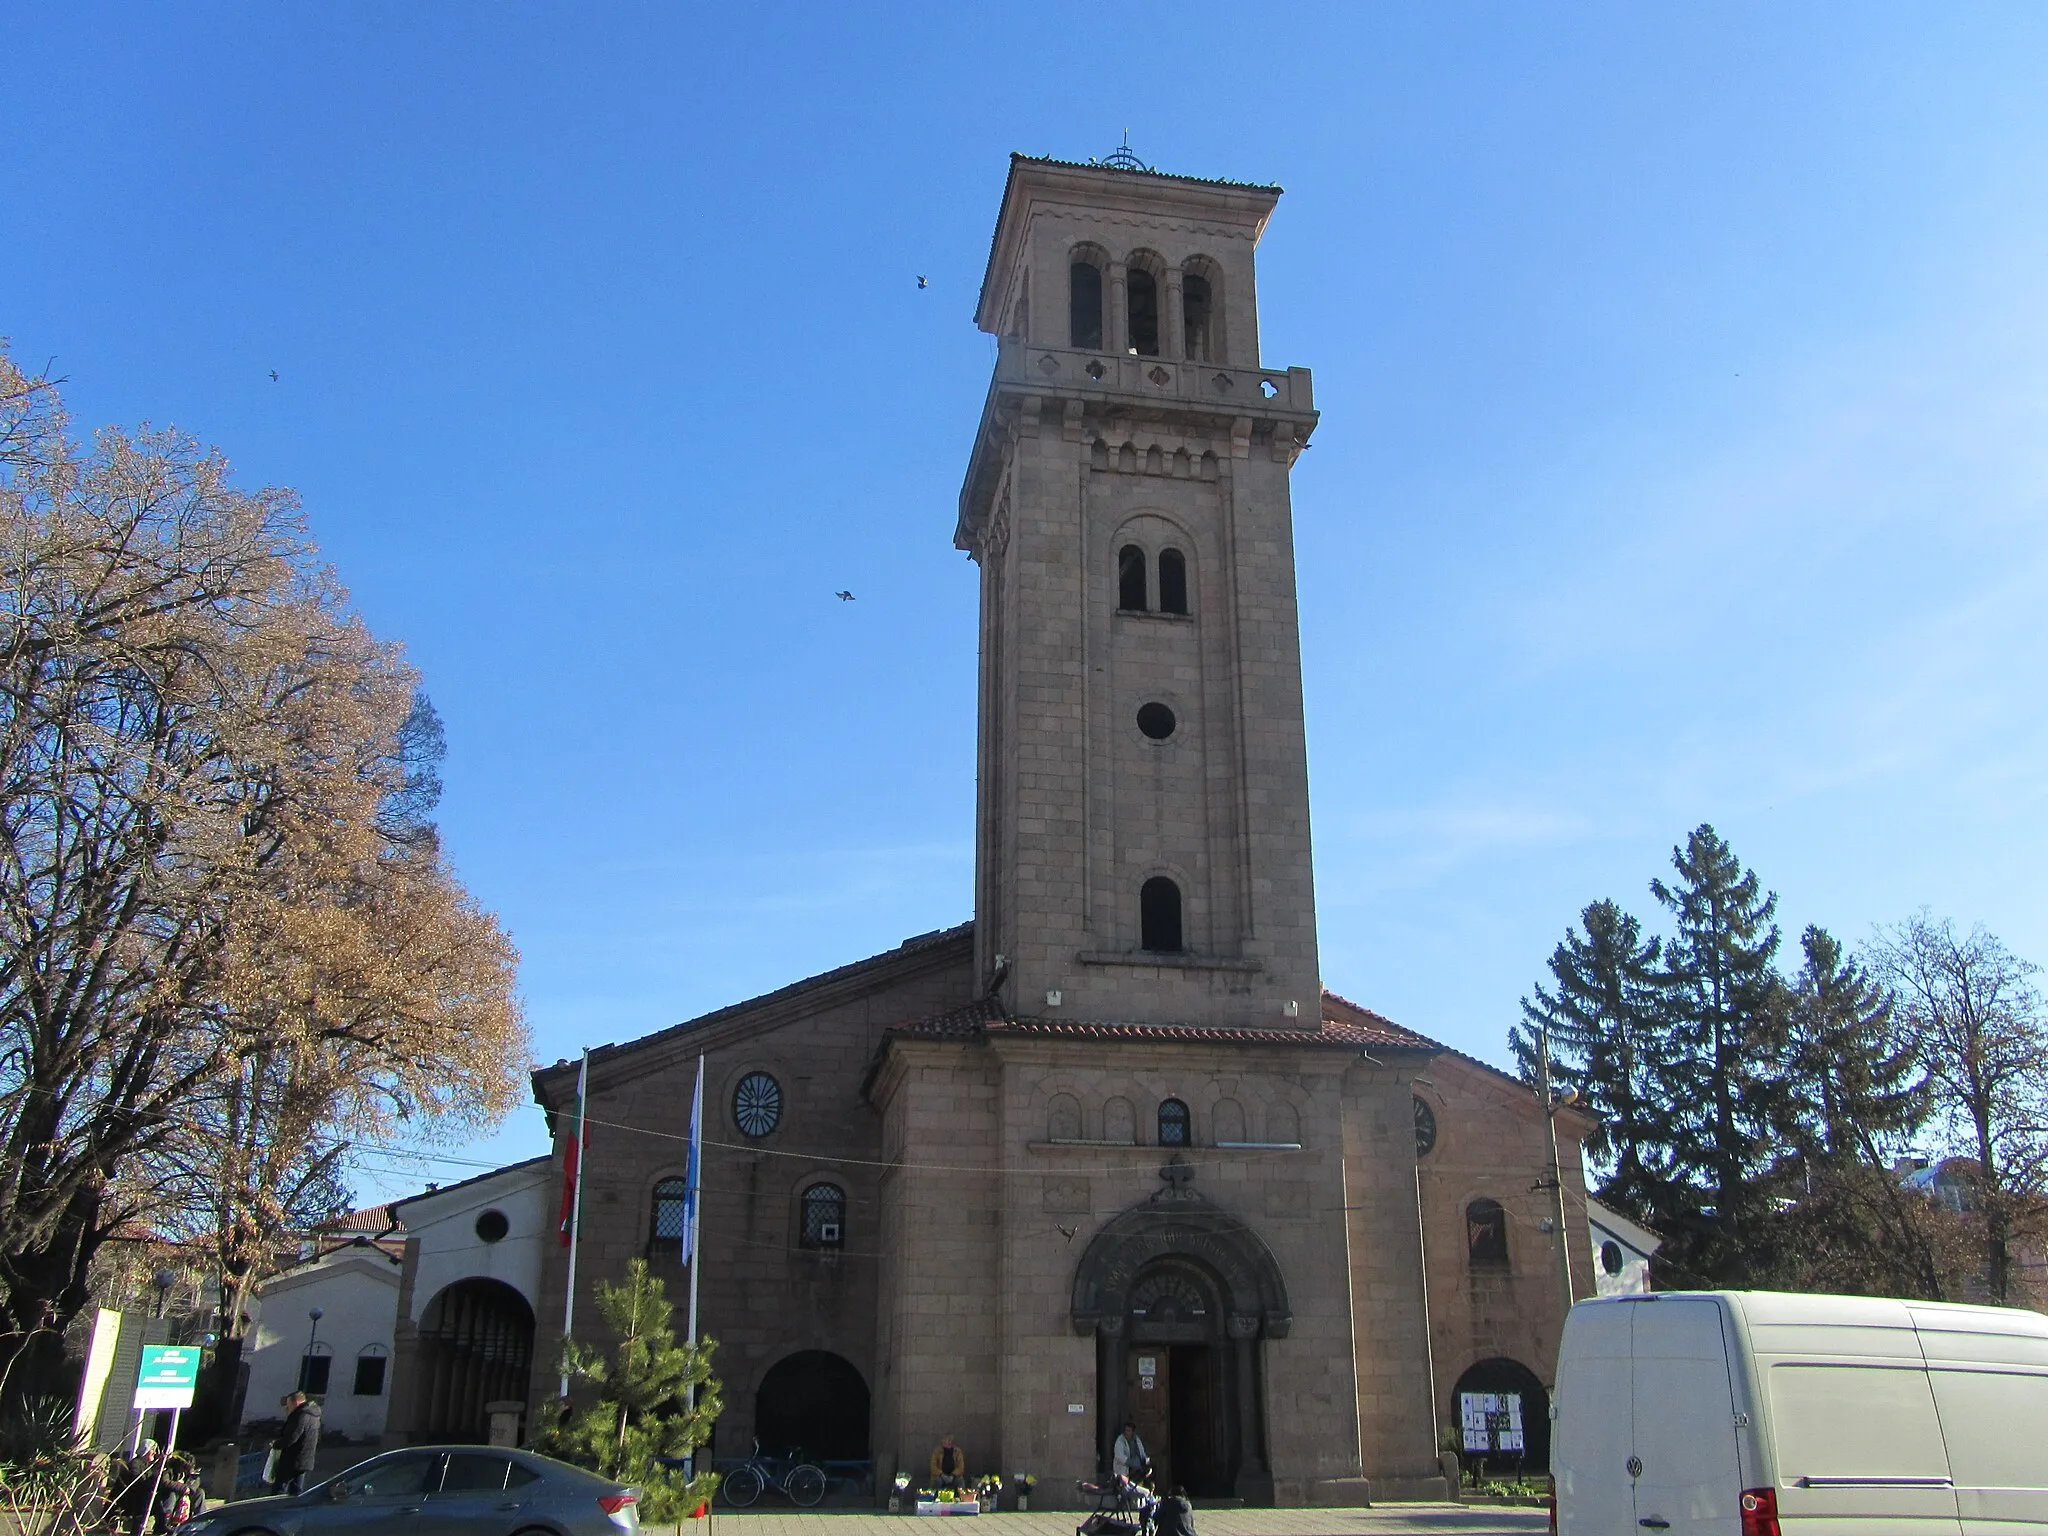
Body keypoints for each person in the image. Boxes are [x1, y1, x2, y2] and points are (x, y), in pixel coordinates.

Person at [270, 1391, 322, 1497]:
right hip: (306, 1459)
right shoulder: (314, 1415)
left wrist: (276, 1444)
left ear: (296, 1402)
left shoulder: (300, 1415)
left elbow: (292, 1437)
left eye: (289, 1404)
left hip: (292, 1459)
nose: (287, 1407)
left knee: (279, 1489)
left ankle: (275, 1511)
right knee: (296, 1491)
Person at [115, 1440, 161, 1536]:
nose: (155, 1453)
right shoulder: (136, 1463)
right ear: (146, 1450)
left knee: (156, 1499)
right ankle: (160, 1527)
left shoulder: (146, 1465)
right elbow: (136, 1481)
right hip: (131, 1499)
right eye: (153, 1450)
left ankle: (161, 1525)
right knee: (149, 1501)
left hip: (140, 1496)